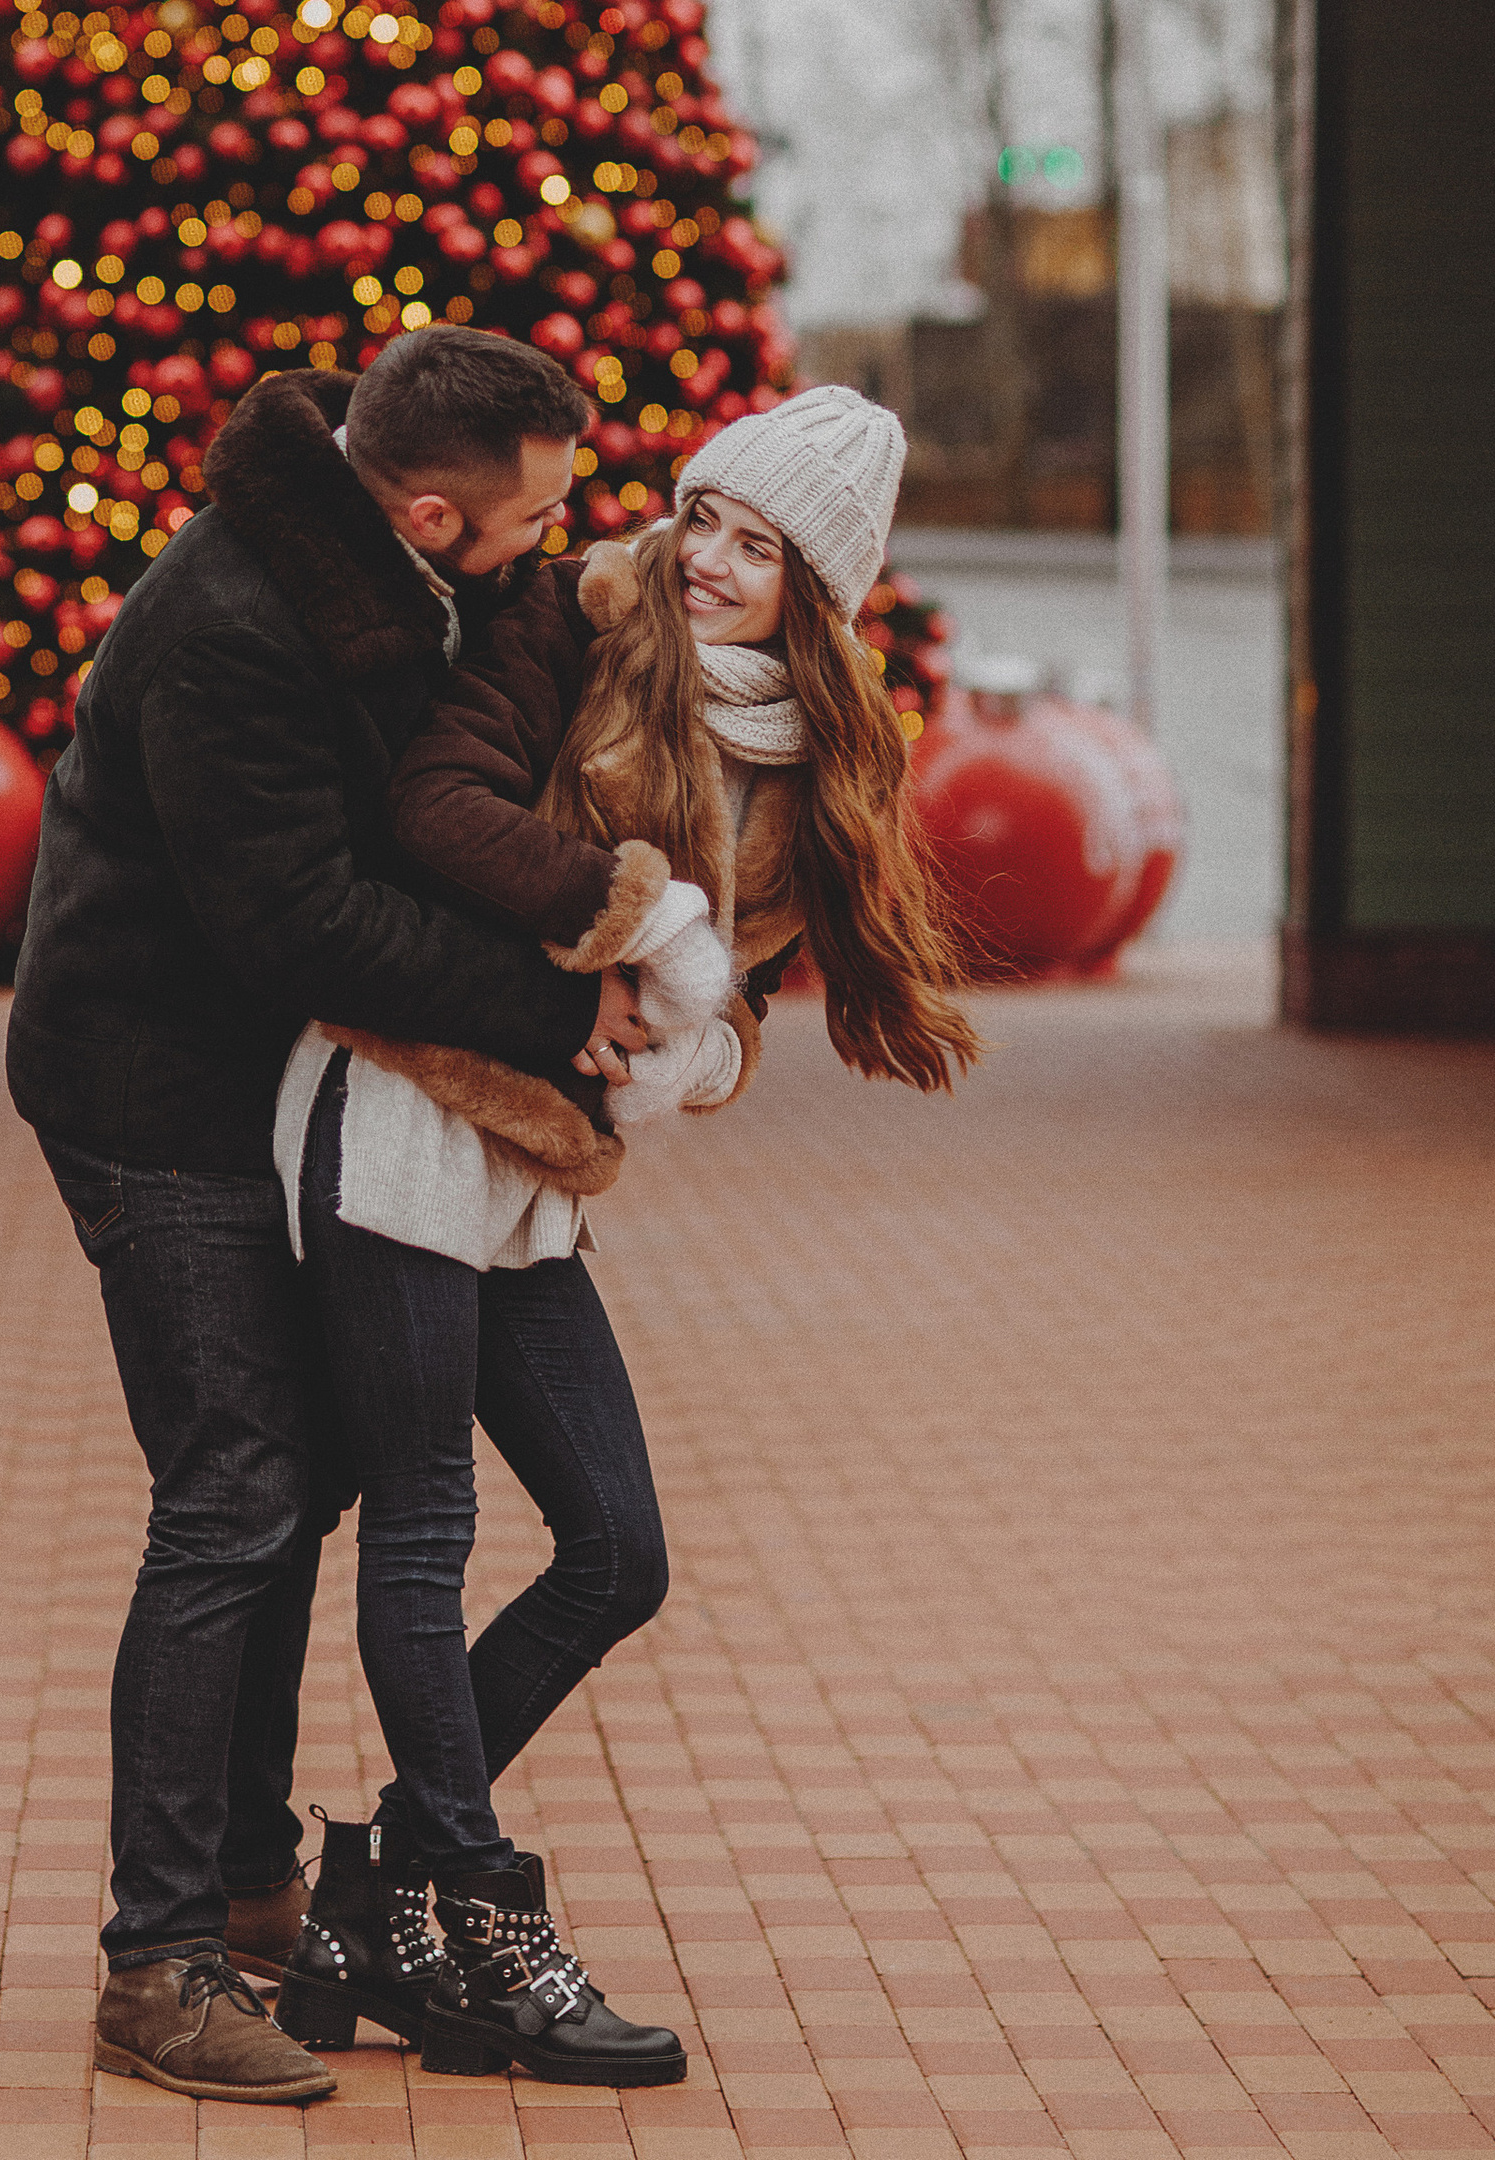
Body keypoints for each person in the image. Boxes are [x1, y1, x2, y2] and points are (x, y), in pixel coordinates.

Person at [272, 384, 978, 2086]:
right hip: (395, 1109)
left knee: (617, 1553)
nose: (713, 560)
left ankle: (376, 1892)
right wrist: (636, 924)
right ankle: (485, 1918)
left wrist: (699, 1037)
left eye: (763, 545)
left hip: (533, 1170)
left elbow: (747, 1001)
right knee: (425, 1525)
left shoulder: (816, 762)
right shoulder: (570, 615)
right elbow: (430, 811)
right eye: (705, 515)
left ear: (825, 591)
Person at [7, 325, 646, 2105]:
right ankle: (158, 1961)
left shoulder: (386, 570)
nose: (548, 548)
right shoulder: (230, 629)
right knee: (235, 1493)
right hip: (155, 1093)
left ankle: (249, 1872)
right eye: (532, 522)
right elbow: (299, 924)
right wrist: (552, 1010)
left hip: (272, 1082)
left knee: (302, 1486)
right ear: (432, 514)